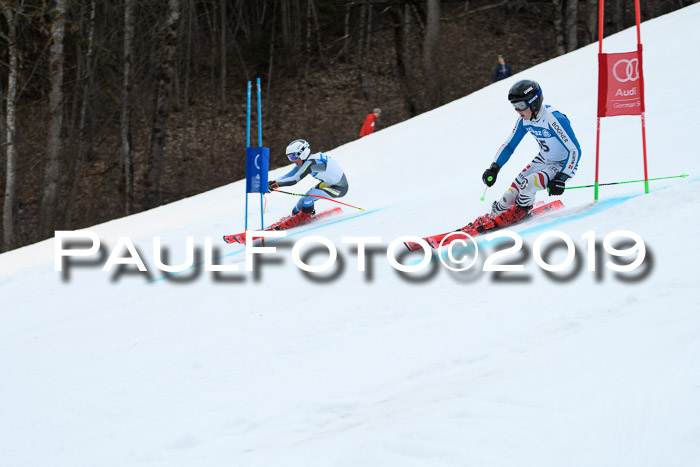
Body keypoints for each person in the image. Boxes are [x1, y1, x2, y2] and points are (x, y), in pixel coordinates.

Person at [468, 79, 581, 232]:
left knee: (528, 185)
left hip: (562, 165)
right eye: (515, 106)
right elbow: (509, 146)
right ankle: (495, 215)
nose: (518, 110)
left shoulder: (553, 119)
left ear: (534, 102)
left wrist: (562, 178)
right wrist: (494, 168)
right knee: (508, 197)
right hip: (543, 160)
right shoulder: (524, 121)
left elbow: (574, 151)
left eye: (521, 105)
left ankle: (520, 213)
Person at [268, 139, 349, 229]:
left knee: (311, 195)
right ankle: (295, 216)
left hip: (340, 188)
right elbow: (289, 175)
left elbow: (294, 180)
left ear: (302, 153)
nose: (292, 161)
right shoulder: (307, 161)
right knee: (303, 200)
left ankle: (304, 216)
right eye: (290, 158)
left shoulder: (311, 163)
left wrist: (274, 185)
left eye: (294, 157)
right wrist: (271, 183)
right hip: (328, 184)